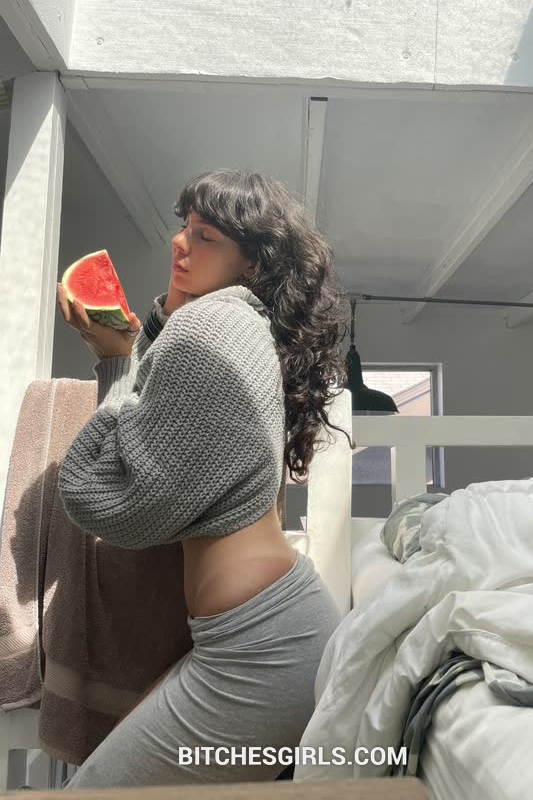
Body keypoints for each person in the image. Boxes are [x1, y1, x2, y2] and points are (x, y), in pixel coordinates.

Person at [54, 169, 354, 788]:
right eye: (184, 227)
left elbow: (112, 503)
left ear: (253, 262)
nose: (180, 243)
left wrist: (115, 361)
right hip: (260, 635)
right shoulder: (241, 328)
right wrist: (155, 327)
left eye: (206, 236)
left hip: (261, 652)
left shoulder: (211, 329)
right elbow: (168, 425)